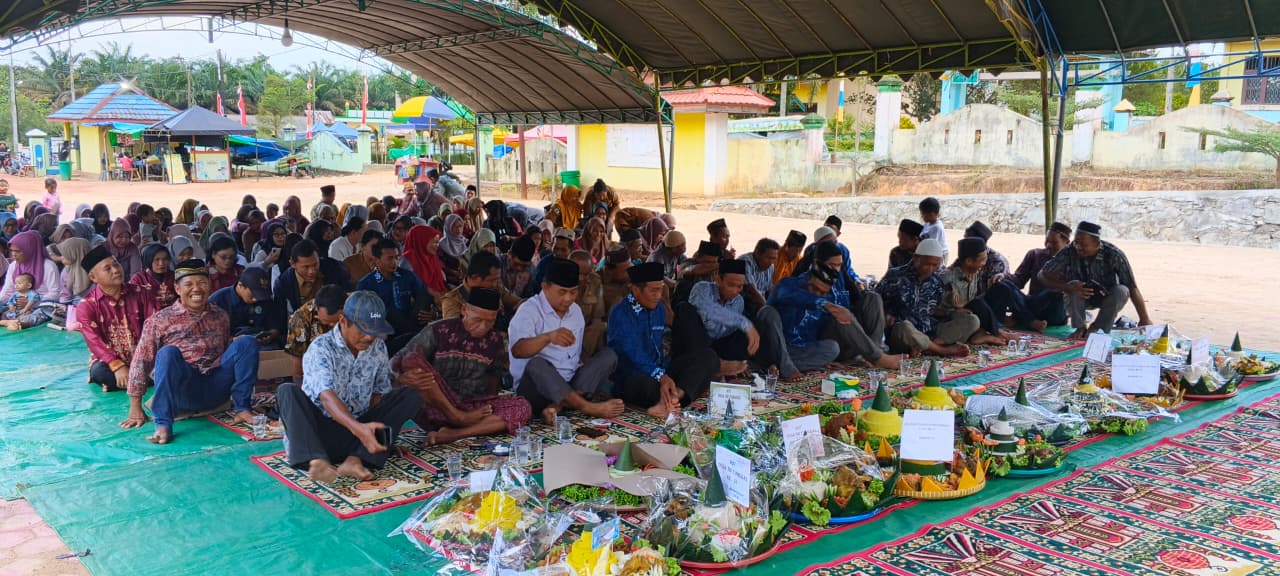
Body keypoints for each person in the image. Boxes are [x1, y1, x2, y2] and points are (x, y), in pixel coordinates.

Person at [277, 291, 422, 482]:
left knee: (409, 395)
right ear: (343, 321)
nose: (369, 337)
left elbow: (378, 397)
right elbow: (326, 397)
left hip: (359, 438)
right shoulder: (321, 348)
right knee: (287, 391)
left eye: (374, 331)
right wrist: (358, 429)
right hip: (321, 435)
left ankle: (356, 460)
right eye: (362, 330)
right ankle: (316, 460)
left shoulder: (378, 347)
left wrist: (381, 437)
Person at [123, 259, 260, 444]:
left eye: (202, 283)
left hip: (216, 387)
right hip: (184, 391)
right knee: (168, 353)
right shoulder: (159, 320)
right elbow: (142, 360)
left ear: (209, 286)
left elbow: (227, 351)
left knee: (247, 342)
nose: (196, 289)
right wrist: (135, 406)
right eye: (189, 284)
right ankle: (163, 424)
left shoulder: (220, 315)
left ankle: (242, 408)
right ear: (177, 289)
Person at [392, 288, 532, 445]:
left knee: (523, 407)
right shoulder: (438, 330)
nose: (483, 327)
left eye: (490, 321)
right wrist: (402, 379)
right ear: (464, 310)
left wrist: (486, 406)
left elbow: (494, 382)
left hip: (473, 409)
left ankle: (453, 434)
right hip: (437, 407)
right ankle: (457, 417)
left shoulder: (496, 340)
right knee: (411, 360)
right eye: (478, 320)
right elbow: (397, 362)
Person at [510, 258, 622, 422]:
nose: (568, 298)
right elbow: (517, 350)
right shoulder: (528, 310)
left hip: (569, 385)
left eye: (573, 292)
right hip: (536, 389)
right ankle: (586, 407)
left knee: (609, 356)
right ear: (545, 287)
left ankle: (559, 406)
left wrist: (592, 373)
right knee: (536, 364)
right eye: (562, 292)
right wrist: (548, 337)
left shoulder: (575, 311)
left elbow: (578, 353)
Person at [609, 262, 718, 419]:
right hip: (632, 377)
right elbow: (634, 354)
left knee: (708, 357)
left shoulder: (658, 307)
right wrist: (661, 377)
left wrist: (664, 375)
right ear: (636, 290)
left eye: (660, 289)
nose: (658, 296)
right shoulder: (621, 313)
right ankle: (674, 398)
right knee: (649, 385)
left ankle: (673, 398)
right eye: (653, 291)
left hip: (660, 370)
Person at [1037, 221, 1152, 338]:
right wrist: (1066, 287)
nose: (1078, 247)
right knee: (1073, 285)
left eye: (1083, 244)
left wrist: (1144, 318)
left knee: (1122, 291)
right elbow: (1041, 275)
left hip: (1106, 297)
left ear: (1097, 244)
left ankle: (1097, 327)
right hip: (1080, 296)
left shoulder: (1114, 254)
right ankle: (1080, 328)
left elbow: (1132, 287)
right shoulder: (1069, 250)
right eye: (1076, 242)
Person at [877, 238, 976, 357]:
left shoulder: (936, 281)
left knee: (972, 320)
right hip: (903, 335)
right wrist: (885, 313)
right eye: (927, 264)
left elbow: (934, 311)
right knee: (904, 327)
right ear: (916, 258)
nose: (930, 269)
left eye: (935, 265)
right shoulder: (894, 276)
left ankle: (927, 347)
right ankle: (942, 350)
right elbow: (874, 300)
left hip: (929, 331)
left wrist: (952, 312)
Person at [78, 246, 157, 392]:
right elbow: (94, 341)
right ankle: (143, 379)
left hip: (145, 356)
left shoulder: (142, 293)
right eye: (107, 268)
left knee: (168, 361)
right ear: (93, 277)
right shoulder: (87, 306)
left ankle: (133, 380)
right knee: (99, 372)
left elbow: (156, 327)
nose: (116, 270)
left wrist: (143, 360)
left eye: (116, 264)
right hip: (110, 361)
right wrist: (117, 365)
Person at [679, 259, 762, 377]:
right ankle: (715, 365)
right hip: (695, 344)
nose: (735, 291)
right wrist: (744, 323)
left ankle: (733, 366)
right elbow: (708, 310)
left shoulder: (739, 301)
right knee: (685, 309)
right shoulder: (702, 288)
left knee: (752, 325)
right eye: (731, 285)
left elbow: (729, 332)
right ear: (718, 280)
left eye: (740, 286)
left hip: (718, 346)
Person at [759, 262, 844, 377]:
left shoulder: (826, 300)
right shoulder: (787, 285)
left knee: (833, 348)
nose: (817, 294)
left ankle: (777, 366)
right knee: (768, 312)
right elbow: (794, 297)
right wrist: (821, 303)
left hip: (793, 350)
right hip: (770, 345)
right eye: (815, 289)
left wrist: (819, 357)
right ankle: (787, 368)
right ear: (807, 280)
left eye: (822, 293)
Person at [961, 221, 1046, 332]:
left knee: (1002, 287)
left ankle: (1003, 324)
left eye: (967, 238)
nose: (963, 242)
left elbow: (993, 288)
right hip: (965, 302)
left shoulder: (996, 260)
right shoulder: (965, 256)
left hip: (986, 304)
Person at [355, 238, 432, 353]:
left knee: (424, 299)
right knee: (391, 314)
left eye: (397, 257)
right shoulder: (366, 284)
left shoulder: (407, 276)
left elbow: (423, 295)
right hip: (385, 333)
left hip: (411, 323)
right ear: (376, 260)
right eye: (390, 258)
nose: (395, 262)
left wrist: (431, 312)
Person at [939, 238, 1018, 347]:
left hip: (972, 311)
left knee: (1001, 289)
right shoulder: (947, 278)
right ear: (969, 261)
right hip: (955, 319)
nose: (984, 263)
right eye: (982, 260)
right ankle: (997, 332)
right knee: (976, 307)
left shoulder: (974, 273)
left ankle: (982, 333)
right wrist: (955, 310)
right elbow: (935, 310)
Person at [273, 239, 350, 319]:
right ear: (292, 264)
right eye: (306, 267)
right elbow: (281, 317)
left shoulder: (334, 268)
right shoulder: (283, 284)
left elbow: (346, 295)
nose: (312, 271)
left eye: (315, 264)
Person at [1013, 222, 1072, 326]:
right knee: (1004, 286)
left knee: (1053, 294)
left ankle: (1021, 320)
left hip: (1054, 313)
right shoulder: (1034, 254)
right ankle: (1031, 321)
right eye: (1047, 241)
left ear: (1066, 243)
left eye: (1054, 242)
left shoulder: (1073, 263)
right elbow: (1018, 280)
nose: (1049, 245)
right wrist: (1003, 276)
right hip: (1032, 307)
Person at [210, 266, 283, 347]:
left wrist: (270, 335)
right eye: (253, 295)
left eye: (260, 295)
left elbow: (275, 327)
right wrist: (233, 340)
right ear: (240, 285)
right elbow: (210, 337)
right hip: (231, 347)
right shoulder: (217, 301)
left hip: (264, 346)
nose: (256, 299)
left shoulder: (265, 300)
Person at [439, 250, 521, 320]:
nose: (495, 284)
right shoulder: (452, 301)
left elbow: (518, 302)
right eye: (491, 280)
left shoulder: (495, 288)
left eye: (496, 279)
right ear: (474, 277)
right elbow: (452, 331)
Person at [0, 231, 59, 326]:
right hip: (17, 306)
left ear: (30, 250)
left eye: (18, 251)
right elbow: (8, 290)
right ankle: (14, 321)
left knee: (42, 312)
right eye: (12, 251)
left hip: (41, 305)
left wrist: (33, 303)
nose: (13, 254)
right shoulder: (14, 266)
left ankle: (19, 323)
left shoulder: (48, 266)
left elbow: (55, 293)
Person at [284, 284, 346, 374]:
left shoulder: (354, 308)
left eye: (338, 321)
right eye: (327, 321)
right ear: (317, 308)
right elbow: (296, 357)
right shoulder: (300, 320)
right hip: (315, 370)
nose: (334, 326)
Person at [570, 249, 608, 360]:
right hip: (562, 330)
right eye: (578, 273)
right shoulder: (559, 282)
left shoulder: (595, 282)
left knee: (600, 327)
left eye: (586, 274)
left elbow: (597, 317)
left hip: (585, 331)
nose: (581, 278)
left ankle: (584, 359)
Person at [402, 225, 448, 301]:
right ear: (423, 241)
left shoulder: (431, 256)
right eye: (435, 242)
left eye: (438, 242)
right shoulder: (408, 260)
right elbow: (409, 286)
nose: (437, 246)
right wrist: (431, 292)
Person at [672, 241, 721, 307]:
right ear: (698, 258)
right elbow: (690, 270)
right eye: (708, 262)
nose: (711, 266)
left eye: (714, 262)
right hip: (684, 304)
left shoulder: (715, 269)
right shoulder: (688, 263)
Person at [130, 243, 176, 310]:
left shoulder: (174, 277)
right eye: (157, 259)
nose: (161, 263)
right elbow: (132, 304)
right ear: (149, 260)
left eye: (165, 259)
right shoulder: (138, 279)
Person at [528, 227, 575, 292]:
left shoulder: (575, 265)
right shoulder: (544, 263)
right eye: (555, 248)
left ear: (571, 249)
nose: (558, 253)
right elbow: (537, 286)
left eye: (563, 250)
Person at [739, 238, 778, 313]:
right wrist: (768, 310)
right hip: (746, 303)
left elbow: (769, 290)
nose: (771, 262)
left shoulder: (771, 266)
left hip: (760, 302)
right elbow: (751, 291)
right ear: (757, 253)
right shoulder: (745, 262)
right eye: (768, 258)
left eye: (774, 258)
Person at [919, 197, 948, 263]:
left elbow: (932, 246)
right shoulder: (928, 223)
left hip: (939, 255)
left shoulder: (937, 228)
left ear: (931, 214)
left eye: (923, 214)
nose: (922, 216)